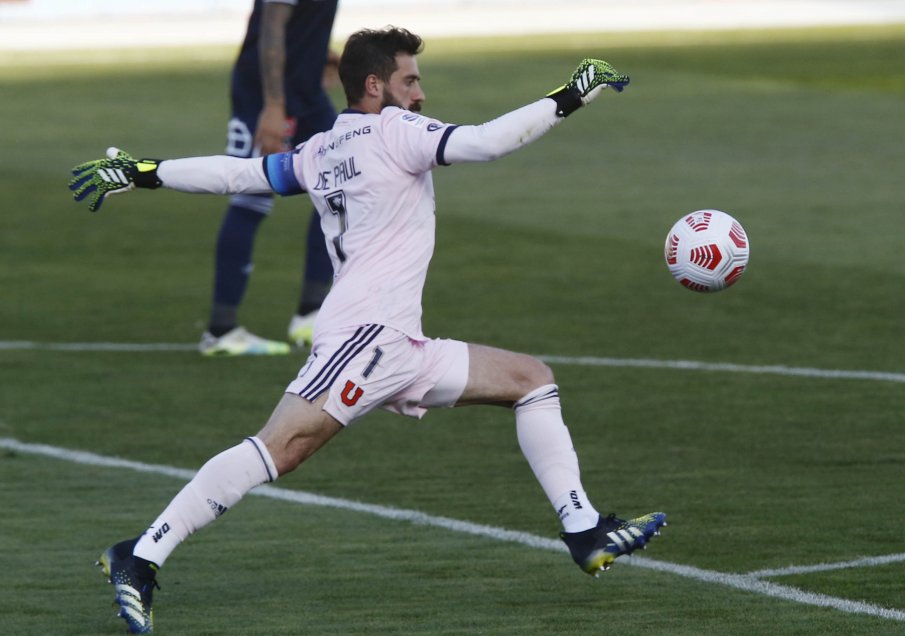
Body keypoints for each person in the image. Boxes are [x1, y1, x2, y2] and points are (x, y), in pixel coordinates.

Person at [70, 27, 667, 634]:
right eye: (411, 81)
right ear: (376, 86)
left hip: (400, 344)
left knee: (530, 379)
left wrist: (144, 172)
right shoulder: (394, 131)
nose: (421, 94)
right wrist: (572, 94)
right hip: (364, 338)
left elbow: (238, 175)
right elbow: (487, 143)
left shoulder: (321, 148)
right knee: (281, 447)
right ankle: (140, 555)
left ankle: (584, 530)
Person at [202, 0, 339, 356]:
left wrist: (318, 53)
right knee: (251, 195)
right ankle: (221, 331)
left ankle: (311, 314)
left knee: (341, 186)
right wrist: (274, 105)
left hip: (308, 93)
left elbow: (303, 19)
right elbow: (272, 27)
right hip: (265, 97)